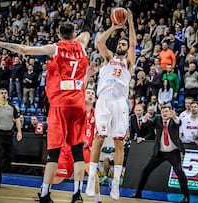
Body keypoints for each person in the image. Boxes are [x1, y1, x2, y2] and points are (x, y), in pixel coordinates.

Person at [0, 0, 95, 202]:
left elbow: (23, 50)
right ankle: (77, 193)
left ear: (59, 34)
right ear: (73, 32)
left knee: (54, 151)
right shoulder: (83, 43)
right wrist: (92, 4)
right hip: (78, 103)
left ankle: (45, 193)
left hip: (61, 104)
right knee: (78, 150)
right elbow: (88, 25)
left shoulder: (55, 48)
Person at [85, 8, 136, 201]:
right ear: (116, 46)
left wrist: (130, 22)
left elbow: (133, 43)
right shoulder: (108, 58)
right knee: (98, 138)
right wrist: (114, 27)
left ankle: (115, 184)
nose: (123, 45)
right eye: (120, 43)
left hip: (120, 103)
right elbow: (99, 41)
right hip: (104, 101)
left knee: (119, 143)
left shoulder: (129, 63)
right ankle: (92, 179)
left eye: (125, 44)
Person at [130, 105, 190, 203]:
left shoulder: (174, 120)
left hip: (173, 152)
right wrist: (144, 119)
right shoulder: (158, 119)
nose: (164, 114)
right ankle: (138, 192)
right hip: (160, 152)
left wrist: (174, 117)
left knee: (179, 172)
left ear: (170, 112)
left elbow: (178, 123)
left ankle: (186, 196)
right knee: (146, 170)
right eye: (163, 112)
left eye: (166, 111)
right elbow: (149, 123)